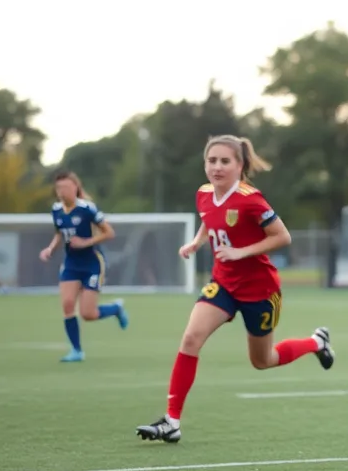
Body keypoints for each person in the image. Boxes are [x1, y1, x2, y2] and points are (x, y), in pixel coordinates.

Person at [136, 135, 335, 444]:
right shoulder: (203, 194)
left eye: (224, 161)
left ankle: (315, 342)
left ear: (239, 165)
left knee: (262, 360)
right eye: (211, 160)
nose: (217, 167)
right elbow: (209, 220)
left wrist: (243, 252)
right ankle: (172, 421)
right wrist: (197, 242)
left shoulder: (251, 199)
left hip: (260, 291)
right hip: (223, 284)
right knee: (191, 338)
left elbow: (282, 237)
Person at [39, 171, 128, 362]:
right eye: (58, 188)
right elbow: (58, 233)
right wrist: (50, 249)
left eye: (66, 187)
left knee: (88, 314)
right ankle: (76, 351)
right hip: (71, 263)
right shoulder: (56, 210)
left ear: (75, 188)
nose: (62, 191)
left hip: (92, 263)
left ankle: (115, 309)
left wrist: (85, 242)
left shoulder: (87, 208)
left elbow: (109, 233)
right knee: (68, 304)